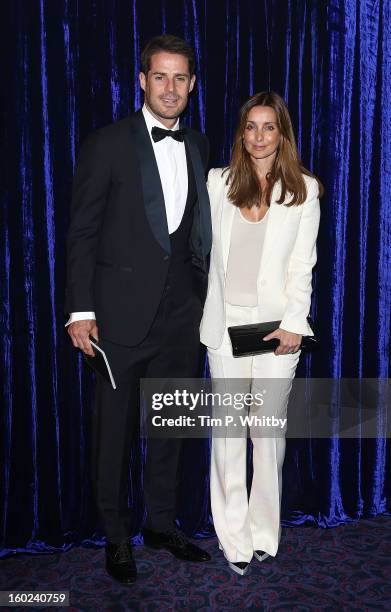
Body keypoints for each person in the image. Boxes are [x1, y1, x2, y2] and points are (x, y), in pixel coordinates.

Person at [65, 34, 212, 585]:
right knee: (114, 435)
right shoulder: (107, 142)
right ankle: (116, 537)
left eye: (180, 78)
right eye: (160, 77)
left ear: (192, 85)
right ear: (143, 81)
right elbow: (81, 232)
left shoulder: (198, 143)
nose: (170, 88)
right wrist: (80, 310)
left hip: (181, 318)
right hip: (118, 319)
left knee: (170, 428)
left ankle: (160, 524)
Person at [200, 91, 322, 575]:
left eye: (268, 127)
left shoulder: (304, 190)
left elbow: (302, 264)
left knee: (266, 432)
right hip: (225, 326)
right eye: (250, 126)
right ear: (241, 133)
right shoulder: (218, 183)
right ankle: (233, 540)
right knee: (229, 432)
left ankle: (263, 531)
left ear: (282, 133)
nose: (258, 136)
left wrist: (295, 322)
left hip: (276, 331)